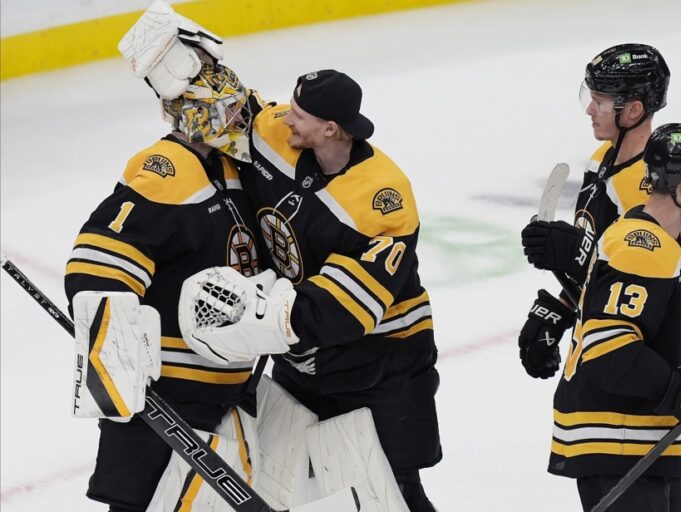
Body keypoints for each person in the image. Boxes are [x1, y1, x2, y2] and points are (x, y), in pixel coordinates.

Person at [179, 69, 442, 511]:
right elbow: (237, 110)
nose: (286, 120)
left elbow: (347, 307)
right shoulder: (279, 133)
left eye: (299, 116)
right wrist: (183, 67)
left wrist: (265, 317)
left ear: (330, 129)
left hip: (383, 362)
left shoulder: (382, 197)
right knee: (289, 481)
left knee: (387, 492)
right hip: (303, 360)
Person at [64, 6, 264, 509]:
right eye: (225, 101)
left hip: (224, 398)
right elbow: (95, 266)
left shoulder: (229, 163)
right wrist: (120, 366)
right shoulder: (168, 170)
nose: (240, 109)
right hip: (167, 405)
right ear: (192, 108)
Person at [548, 123, 681, 511]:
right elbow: (608, 350)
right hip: (616, 440)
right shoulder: (641, 246)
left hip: (641, 441)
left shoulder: (666, 247)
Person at [518, 43, 681, 379]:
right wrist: (562, 306)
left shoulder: (651, 187)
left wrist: (575, 255)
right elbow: (608, 261)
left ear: (633, 110)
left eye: (600, 101)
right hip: (602, 348)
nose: (589, 109)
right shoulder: (602, 161)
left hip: (643, 365)